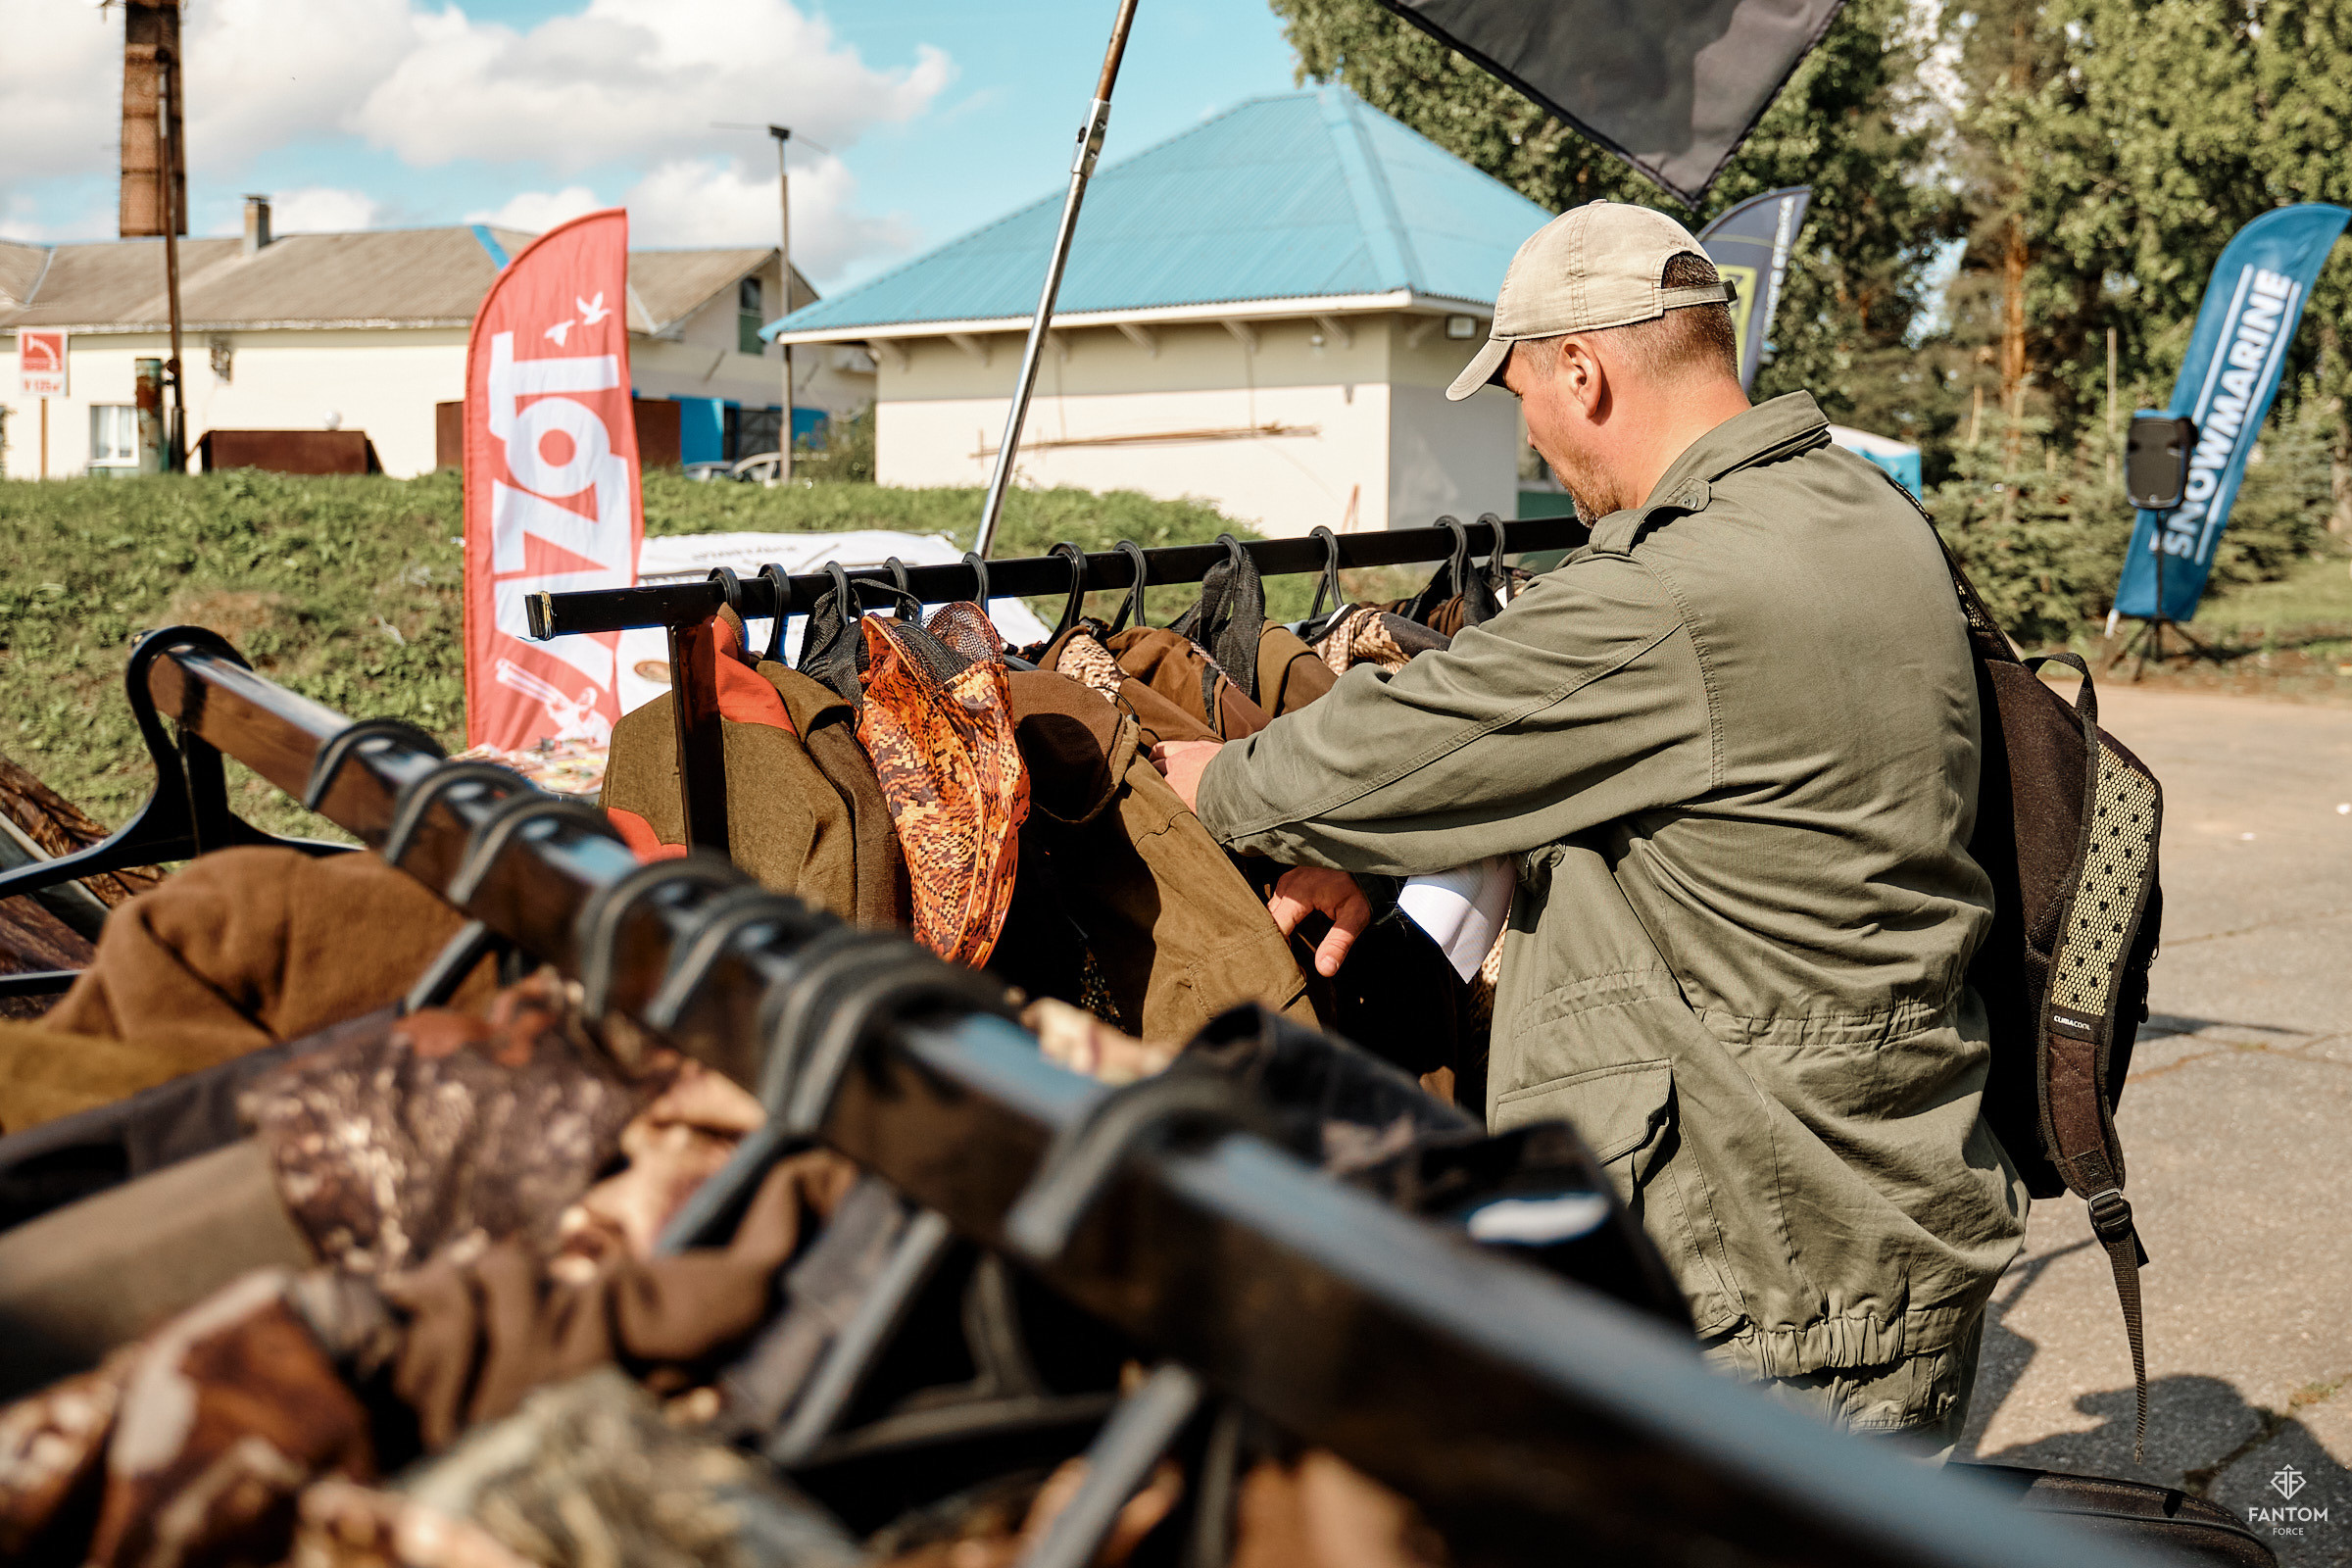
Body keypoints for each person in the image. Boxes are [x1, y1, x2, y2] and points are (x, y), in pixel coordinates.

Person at [1152, 202, 2026, 1449]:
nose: (1530, 433)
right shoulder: (1860, 512)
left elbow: (1415, 732)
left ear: (1583, 370)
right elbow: (1698, 782)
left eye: (1521, 391)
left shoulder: (1679, 590)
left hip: (1770, 1276)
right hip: (1879, 1199)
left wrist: (1212, 780)